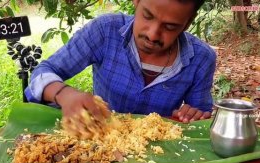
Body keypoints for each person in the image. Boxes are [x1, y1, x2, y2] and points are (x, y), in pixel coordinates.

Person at [25, 0, 216, 124]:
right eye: (147, 16)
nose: (152, 34)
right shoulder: (105, 31)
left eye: (170, 27)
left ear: (188, 22)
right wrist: (63, 94)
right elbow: (42, 73)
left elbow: (200, 119)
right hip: (103, 143)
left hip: (158, 151)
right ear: (136, 2)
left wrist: (193, 115)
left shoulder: (201, 59)